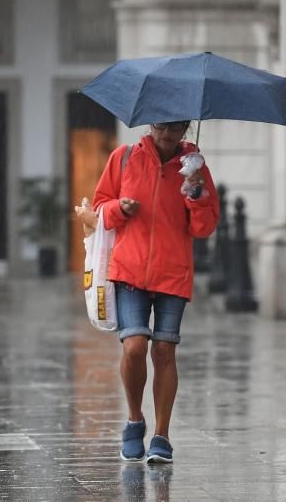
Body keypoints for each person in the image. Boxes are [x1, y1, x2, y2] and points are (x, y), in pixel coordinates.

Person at [93, 120, 219, 463]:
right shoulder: (124, 157)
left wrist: (196, 194)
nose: (168, 135)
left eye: (176, 128)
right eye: (163, 127)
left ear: (186, 128)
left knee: (164, 351)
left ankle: (162, 436)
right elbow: (99, 208)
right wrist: (121, 208)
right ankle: (135, 419)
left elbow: (204, 228)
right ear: (151, 124)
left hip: (173, 272)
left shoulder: (195, 168)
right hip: (129, 270)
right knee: (134, 347)